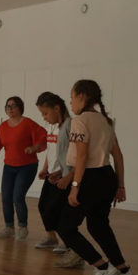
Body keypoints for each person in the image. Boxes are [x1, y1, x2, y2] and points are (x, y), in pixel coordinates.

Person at [57, 79, 137, 275]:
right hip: (107, 177)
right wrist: (120, 185)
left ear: (81, 96)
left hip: (89, 178)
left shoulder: (80, 120)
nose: (70, 102)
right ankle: (124, 271)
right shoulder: (106, 121)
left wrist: (75, 186)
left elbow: (82, 156)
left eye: (72, 97)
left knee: (66, 227)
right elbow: (118, 155)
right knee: (98, 225)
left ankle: (102, 267)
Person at [0, 96, 46, 240]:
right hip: (9, 167)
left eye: (13, 106)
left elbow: (43, 136)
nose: (9, 109)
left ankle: (22, 227)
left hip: (27, 166)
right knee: (6, 197)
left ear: (20, 108)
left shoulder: (28, 123)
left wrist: (34, 147)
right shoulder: (3, 126)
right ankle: (9, 227)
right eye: (7, 106)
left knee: (17, 196)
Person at [33, 91, 83, 266]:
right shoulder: (57, 126)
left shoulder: (70, 125)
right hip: (57, 175)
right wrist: (49, 170)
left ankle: (73, 248)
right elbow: (57, 153)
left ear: (57, 108)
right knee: (45, 207)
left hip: (67, 178)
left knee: (57, 214)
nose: (44, 117)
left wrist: (67, 175)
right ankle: (63, 243)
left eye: (45, 113)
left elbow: (79, 155)